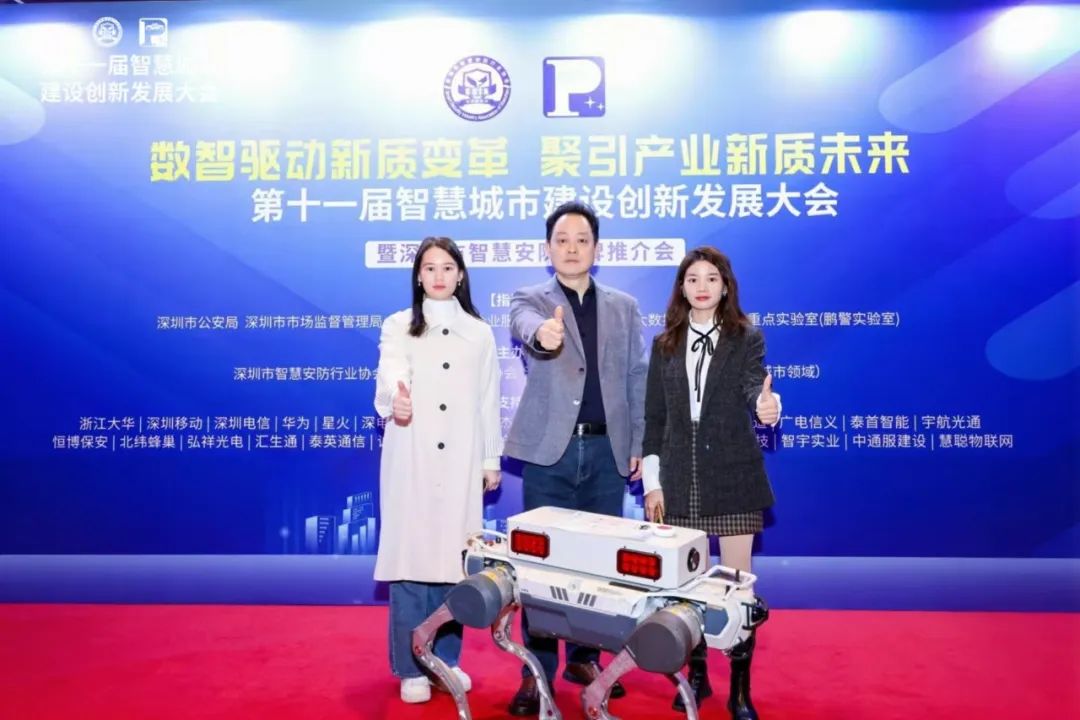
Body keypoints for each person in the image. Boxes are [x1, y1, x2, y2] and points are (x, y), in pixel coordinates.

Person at [503, 201, 648, 716]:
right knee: (539, 567)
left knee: (601, 566)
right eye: (562, 240)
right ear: (548, 248)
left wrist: (637, 444)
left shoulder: (624, 306)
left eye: (581, 240)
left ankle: (585, 659)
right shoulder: (531, 299)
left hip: (607, 451)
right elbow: (523, 324)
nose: (571, 248)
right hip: (550, 453)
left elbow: (636, 376)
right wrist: (543, 334)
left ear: (596, 248)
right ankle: (536, 670)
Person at [641, 246, 780, 719]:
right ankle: (696, 674)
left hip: (733, 473)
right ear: (681, 288)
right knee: (687, 588)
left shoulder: (746, 337)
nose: (702, 286)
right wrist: (653, 484)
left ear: (725, 287)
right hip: (678, 477)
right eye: (693, 278)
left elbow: (753, 386)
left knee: (738, 590)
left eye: (712, 278)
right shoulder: (664, 344)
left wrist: (766, 406)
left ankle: (740, 688)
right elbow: (654, 418)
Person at [373, 236, 504, 704]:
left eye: (447, 267)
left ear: (461, 274)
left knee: (455, 564)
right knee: (411, 563)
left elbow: (488, 399)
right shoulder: (398, 326)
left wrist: (490, 459)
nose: (439, 276)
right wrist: (396, 399)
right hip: (412, 455)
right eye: (429, 268)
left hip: (462, 459)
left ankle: (445, 660)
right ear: (418, 276)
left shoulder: (479, 332)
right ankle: (410, 667)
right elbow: (390, 373)